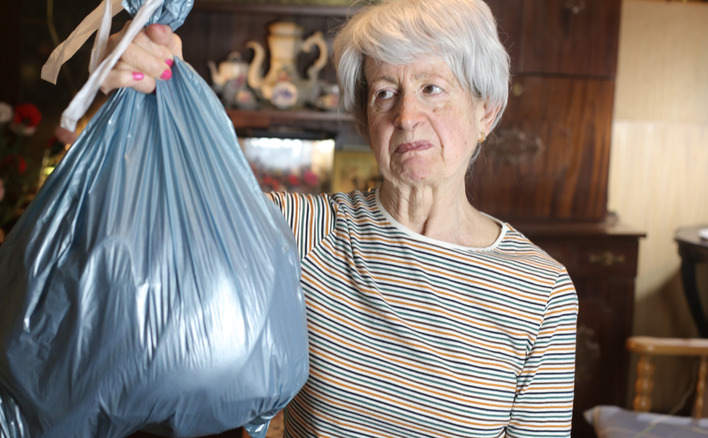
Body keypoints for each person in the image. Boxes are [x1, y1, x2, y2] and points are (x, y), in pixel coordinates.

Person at [103, 0, 579, 436]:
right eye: (385, 93)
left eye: (431, 87)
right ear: (365, 121)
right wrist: (146, 85)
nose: (407, 115)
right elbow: (157, 221)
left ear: (485, 111)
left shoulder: (542, 292)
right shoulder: (303, 229)